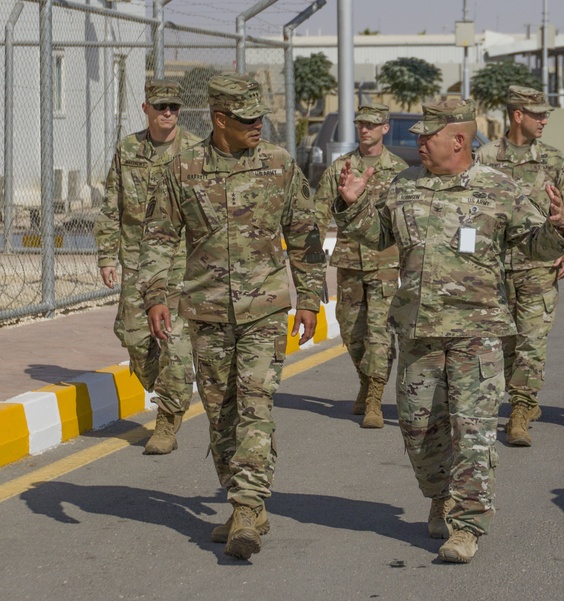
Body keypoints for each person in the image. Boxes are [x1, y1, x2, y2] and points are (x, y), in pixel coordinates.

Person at [332, 99, 564, 563]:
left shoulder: (498, 188)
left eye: (428, 136)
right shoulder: (404, 185)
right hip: (419, 333)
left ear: (459, 140)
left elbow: (536, 245)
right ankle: (439, 494)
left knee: (474, 430)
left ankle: (466, 525)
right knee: (419, 431)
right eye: (420, 136)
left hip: (477, 333)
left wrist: (561, 226)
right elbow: (375, 235)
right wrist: (351, 206)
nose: (418, 143)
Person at [137, 73, 326, 560]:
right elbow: (158, 236)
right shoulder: (183, 168)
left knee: (255, 404)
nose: (258, 125)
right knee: (221, 413)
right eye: (246, 119)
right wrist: (156, 295)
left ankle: (246, 507)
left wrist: (308, 298)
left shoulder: (280, 165)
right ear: (220, 120)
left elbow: (304, 235)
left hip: (263, 309)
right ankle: (245, 499)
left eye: (260, 117)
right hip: (205, 311)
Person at [94, 79, 200, 455]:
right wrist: (107, 254)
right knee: (133, 335)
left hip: (182, 262)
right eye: (161, 106)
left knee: (173, 341)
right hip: (138, 259)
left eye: (173, 106)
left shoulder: (196, 151)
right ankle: (175, 382)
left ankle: (167, 422)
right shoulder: (128, 149)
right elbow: (112, 203)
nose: (167, 112)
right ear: (147, 109)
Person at [475, 85, 564, 447]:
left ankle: (520, 410)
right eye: (538, 114)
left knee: (532, 341)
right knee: (505, 342)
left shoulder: (552, 160)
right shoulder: (485, 158)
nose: (544, 120)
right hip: (496, 269)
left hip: (539, 266)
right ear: (517, 115)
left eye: (546, 114)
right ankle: (522, 397)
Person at [315, 103, 407, 428]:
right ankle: (366, 381)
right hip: (349, 262)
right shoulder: (341, 167)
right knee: (352, 331)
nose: (365, 129)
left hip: (385, 262)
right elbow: (319, 210)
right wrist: (312, 257)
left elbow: (407, 219)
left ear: (385, 127)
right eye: (361, 124)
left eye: (372, 124)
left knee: (379, 333)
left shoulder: (398, 170)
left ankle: (374, 400)